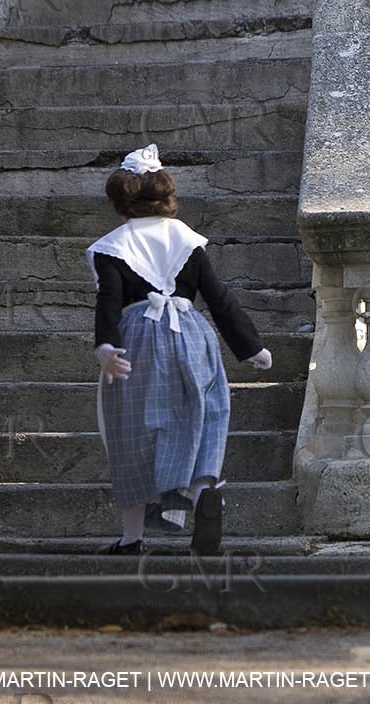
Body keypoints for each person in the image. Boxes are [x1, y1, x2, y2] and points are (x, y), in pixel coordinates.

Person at [88, 144, 272, 555]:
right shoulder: (187, 239)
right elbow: (219, 297)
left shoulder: (111, 247)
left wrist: (105, 346)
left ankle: (133, 537)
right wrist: (250, 347)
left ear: (122, 201)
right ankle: (204, 488)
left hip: (136, 339)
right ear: (167, 196)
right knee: (203, 413)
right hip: (192, 333)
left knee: (133, 430)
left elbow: (108, 303)